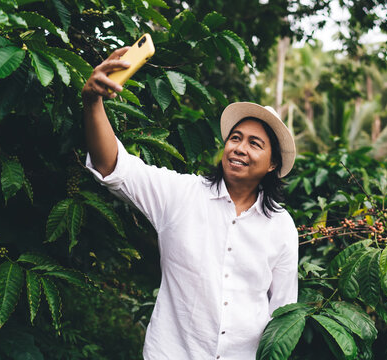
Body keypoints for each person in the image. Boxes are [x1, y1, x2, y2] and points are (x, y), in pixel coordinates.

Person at [82, 47, 299, 360]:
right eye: (235, 138)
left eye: (255, 144)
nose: (239, 148)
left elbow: (282, 315)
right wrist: (93, 101)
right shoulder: (181, 194)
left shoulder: (281, 226)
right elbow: (113, 167)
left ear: (271, 165)